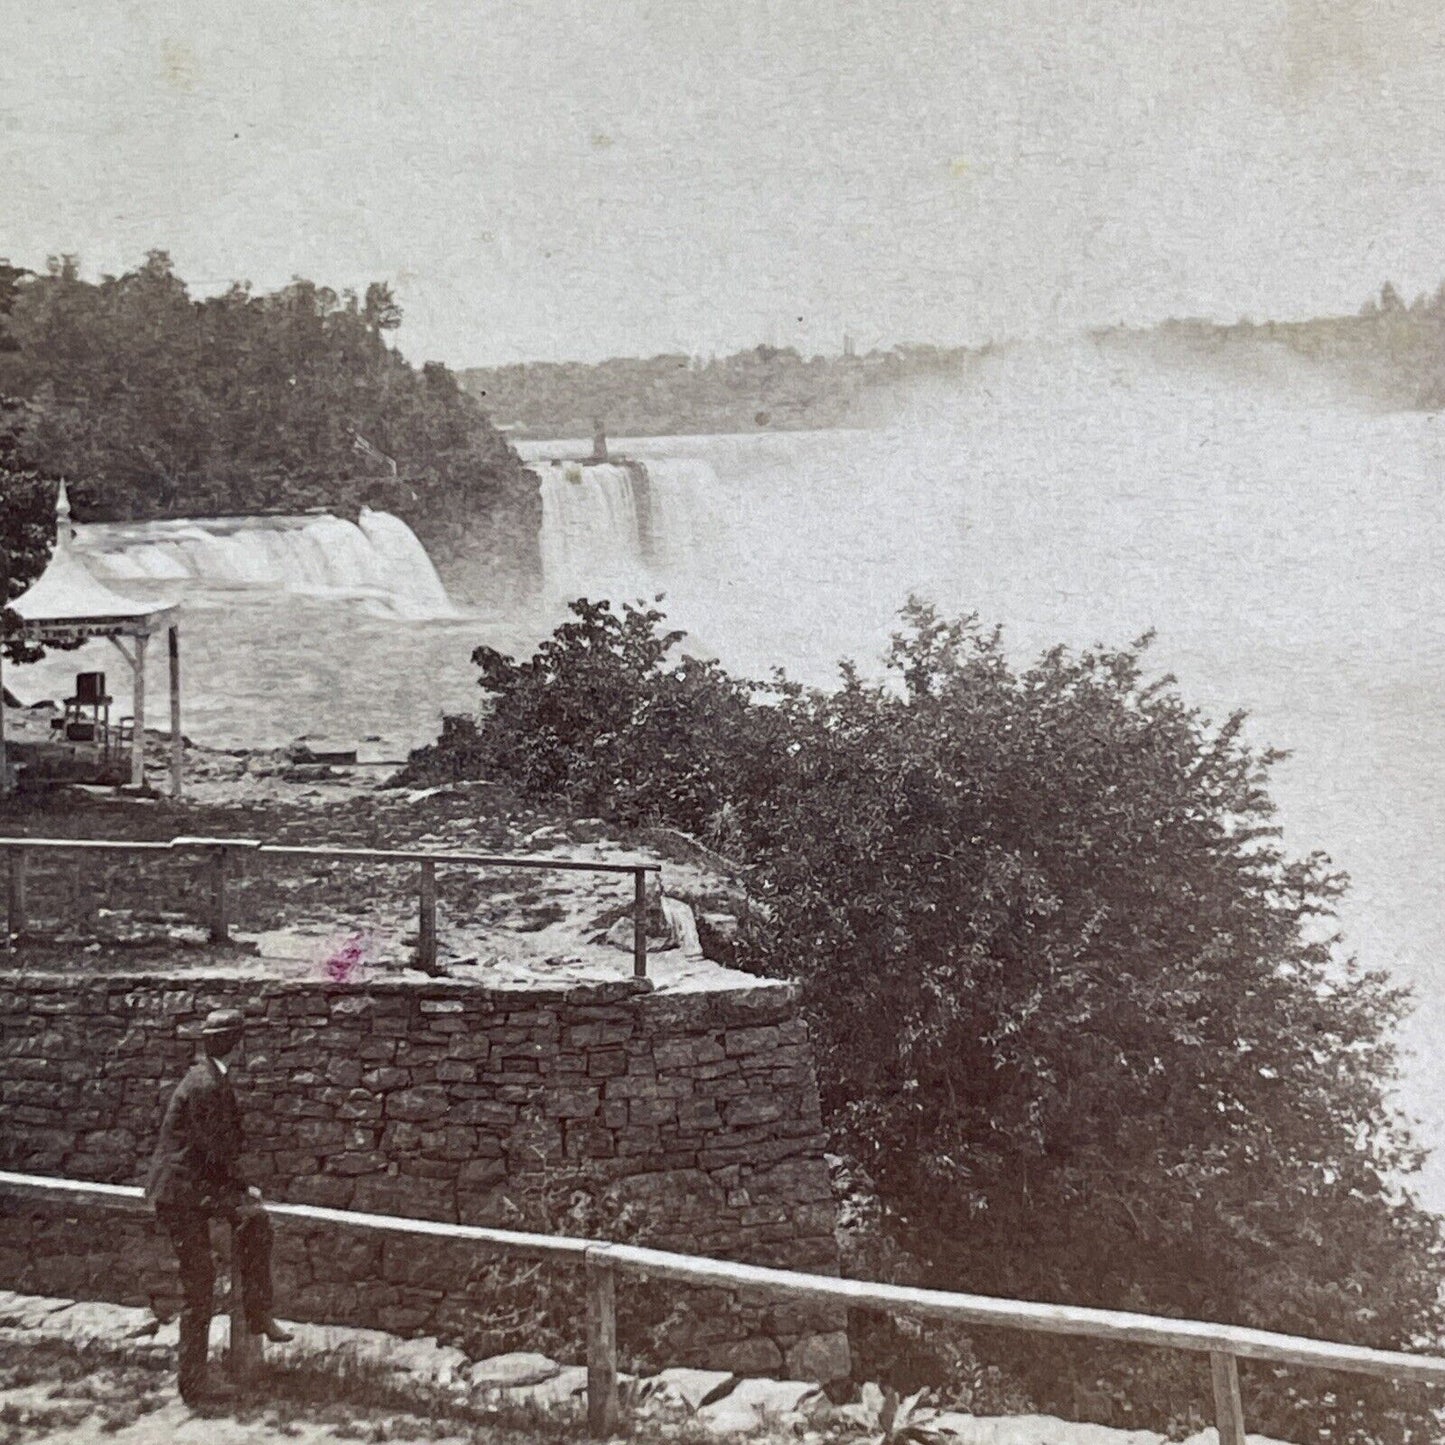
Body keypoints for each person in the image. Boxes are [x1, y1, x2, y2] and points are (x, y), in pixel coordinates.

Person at [146, 1007, 292, 1405]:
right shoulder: (206, 1084)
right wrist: (241, 1187)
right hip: (181, 1195)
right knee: (200, 1287)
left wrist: (242, 1190)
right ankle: (194, 1383)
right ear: (236, 1045)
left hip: (195, 1188)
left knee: (255, 1222)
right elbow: (216, 1148)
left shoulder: (210, 1077)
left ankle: (258, 1310)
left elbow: (214, 1149)